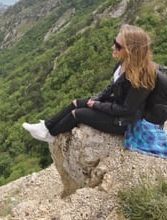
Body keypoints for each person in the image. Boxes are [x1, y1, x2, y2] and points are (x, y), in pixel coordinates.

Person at [22, 24, 157, 143]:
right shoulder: (124, 63)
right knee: (77, 102)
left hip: (123, 121)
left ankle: (50, 135)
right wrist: (96, 99)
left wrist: (97, 105)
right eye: (114, 42)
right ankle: (45, 126)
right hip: (117, 107)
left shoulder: (141, 78)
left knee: (77, 113)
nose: (112, 47)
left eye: (118, 45)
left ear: (130, 50)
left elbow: (126, 110)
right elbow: (112, 86)